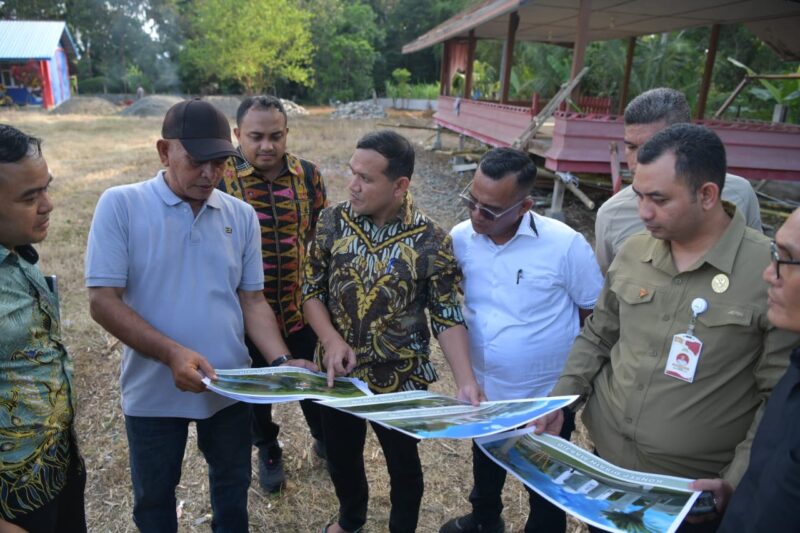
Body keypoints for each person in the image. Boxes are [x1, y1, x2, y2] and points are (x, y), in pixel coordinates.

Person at [535, 123, 799, 532]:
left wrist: (735, 483)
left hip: (689, 496)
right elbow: (599, 335)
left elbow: (775, 398)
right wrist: (559, 403)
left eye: (658, 199)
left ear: (707, 195)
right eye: (639, 195)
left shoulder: (768, 275)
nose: (643, 212)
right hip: (606, 471)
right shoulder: (634, 251)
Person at [85, 99, 315, 532]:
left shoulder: (241, 216)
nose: (210, 175)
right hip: (151, 392)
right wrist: (172, 354)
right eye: (196, 162)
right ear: (163, 151)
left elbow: (252, 301)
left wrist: (281, 363)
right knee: (154, 501)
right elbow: (102, 301)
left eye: (219, 162)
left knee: (232, 491)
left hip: (228, 387)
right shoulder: (121, 206)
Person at [302, 130, 483, 533]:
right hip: (339, 374)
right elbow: (311, 291)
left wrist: (466, 379)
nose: (352, 185)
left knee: (404, 466)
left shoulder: (431, 240)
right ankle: (351, 520)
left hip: (401, 378)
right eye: (352, 173)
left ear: (400, 185)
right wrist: (331, 340)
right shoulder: (332, 221)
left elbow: (447, 314)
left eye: (366, 178)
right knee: (341, 456)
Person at [441, 147, 603, 533]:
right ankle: (484, 520)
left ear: (525, 205)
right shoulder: (461, 239)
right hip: (485, 392)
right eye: (472, 201)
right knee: (485, 464)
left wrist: (568, 391)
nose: (477, 215)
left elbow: (592, 316)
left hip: (544, 397)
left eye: (491, 210)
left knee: (545, 487)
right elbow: (459, 299)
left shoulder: (564, 246)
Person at [218, 95, 328, 492]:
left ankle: (323, 439)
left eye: (276, 136)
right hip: (243, 312)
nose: (267, 146)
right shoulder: (219, 178)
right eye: (256, 136)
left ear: (287, 134)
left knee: (312, 380)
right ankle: (267, 447)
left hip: (301, 307)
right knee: (256, 391)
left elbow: (315, 235)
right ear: (237, 135)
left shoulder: (309, 176)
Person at [0, 125, 86, 532]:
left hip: (55, 468)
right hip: (12, 501)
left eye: (46, 189)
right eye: (30, 197)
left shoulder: (17, 257)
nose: (48, 205)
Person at [594, 87, 762, 274]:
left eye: (654, 147)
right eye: (631, 147)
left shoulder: (740, 193)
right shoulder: (611, 216)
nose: (639, 160)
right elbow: (608, 289)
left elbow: (756, 266)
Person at [715, 207, 800, 532]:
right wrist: (736, 489)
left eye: (788, 258)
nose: (769, 273)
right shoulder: (793, 373)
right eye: (775, 252)